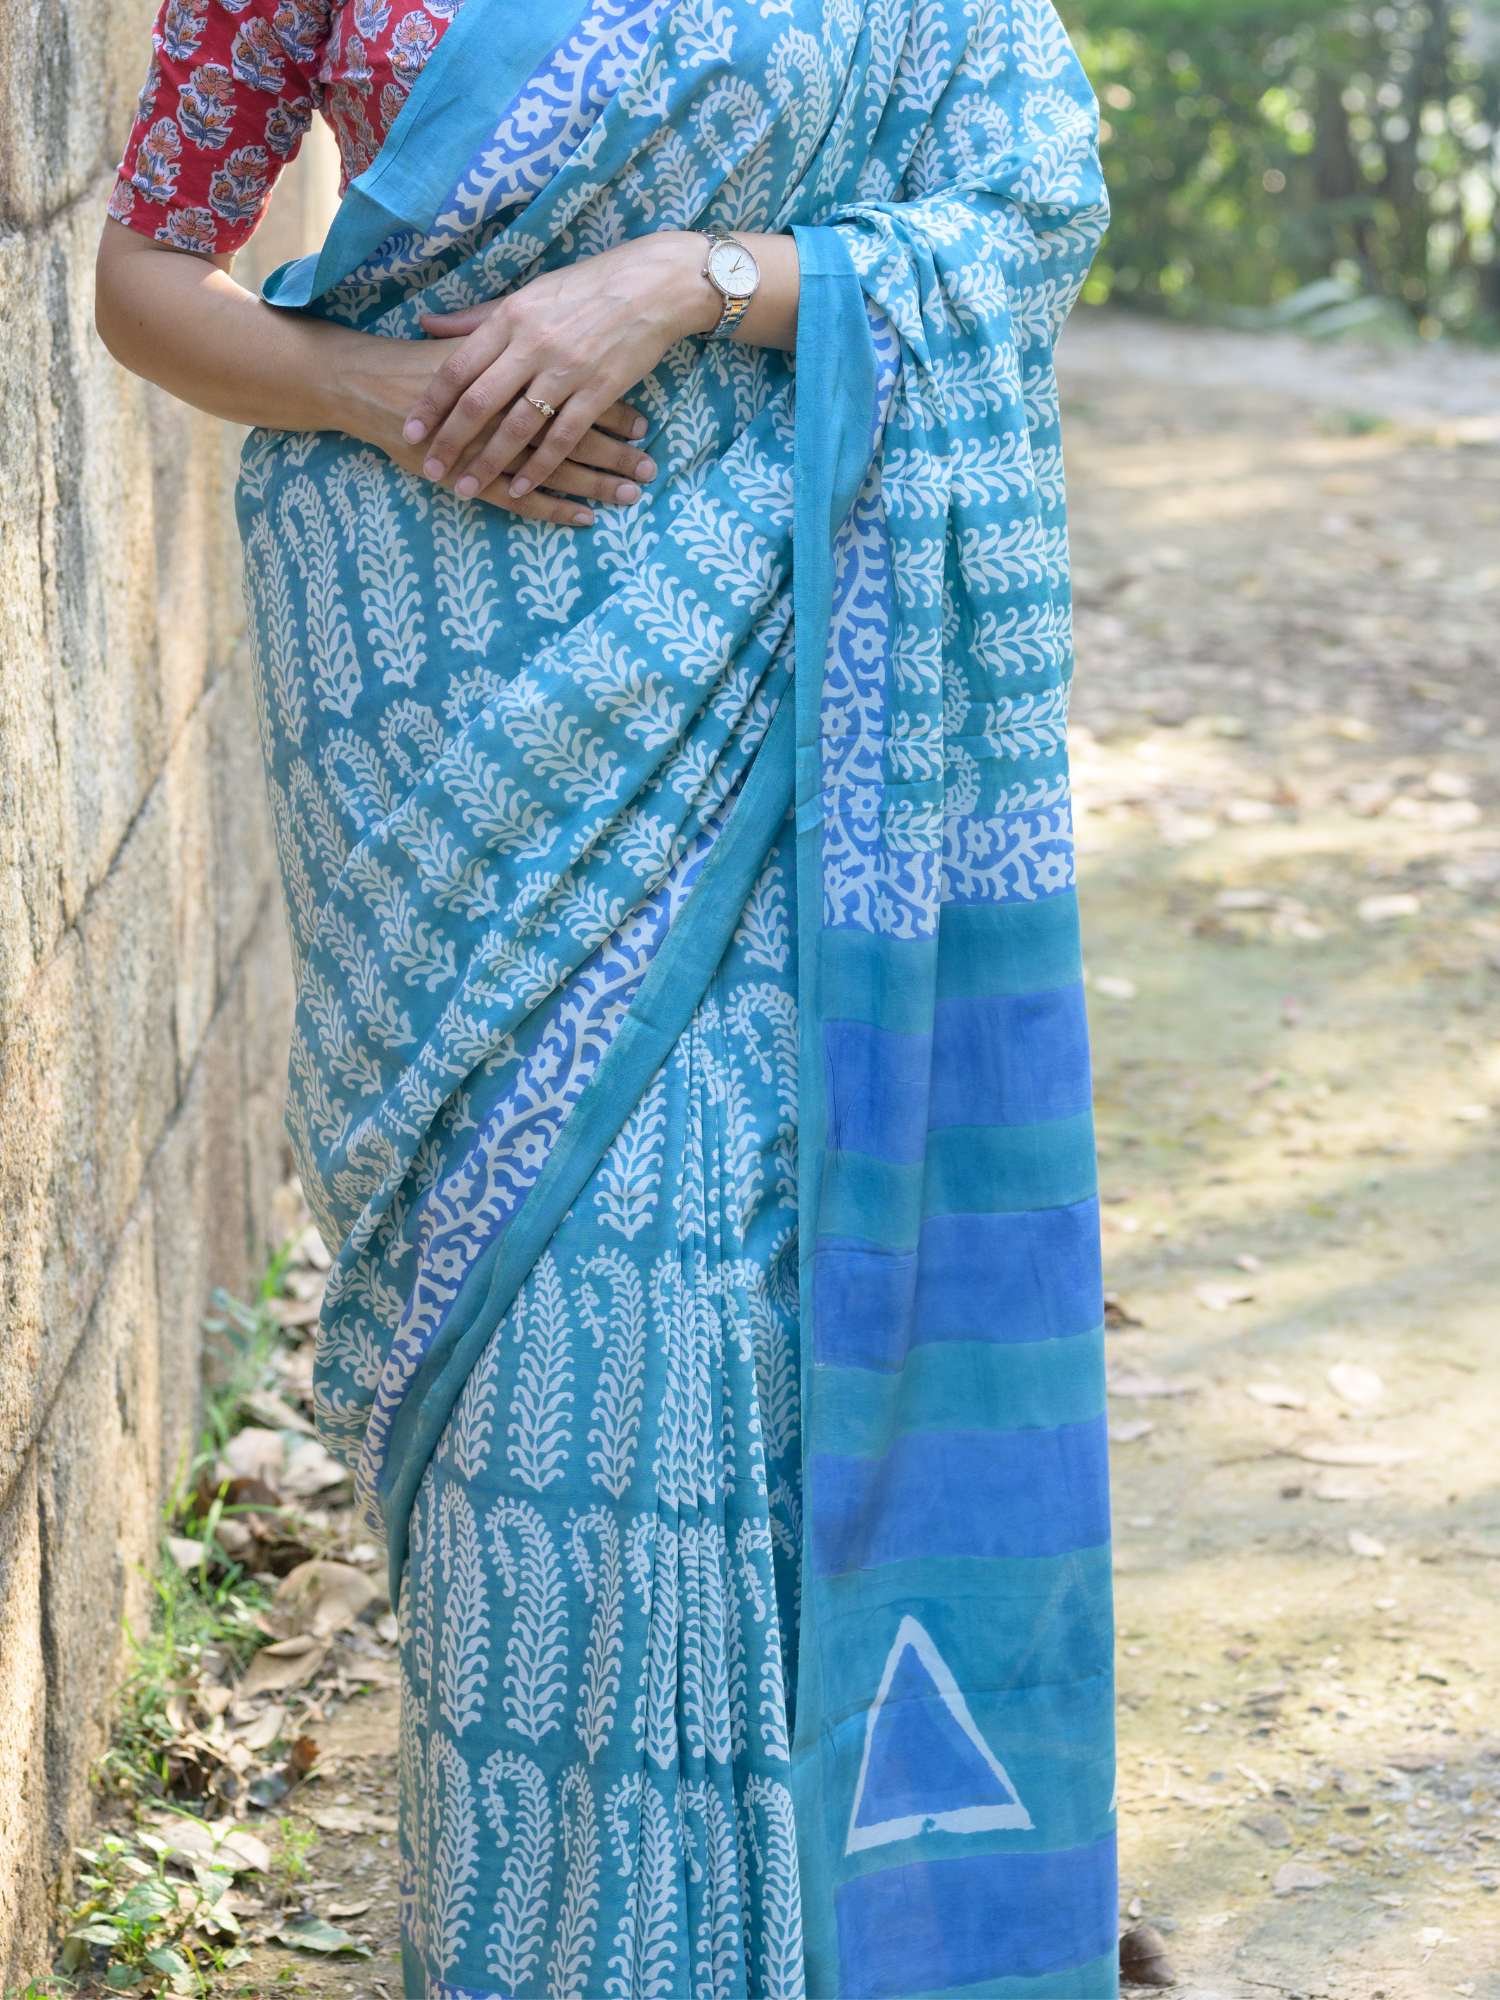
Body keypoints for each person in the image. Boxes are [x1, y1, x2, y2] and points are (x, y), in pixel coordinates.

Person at [96, 1, 1116, 1993]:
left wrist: (687, 280)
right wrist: (380, 387)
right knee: (546, 1401)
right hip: (448, 738)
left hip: (793, 687)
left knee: (767, 1344)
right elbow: (144, 278)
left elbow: (1031, 202)